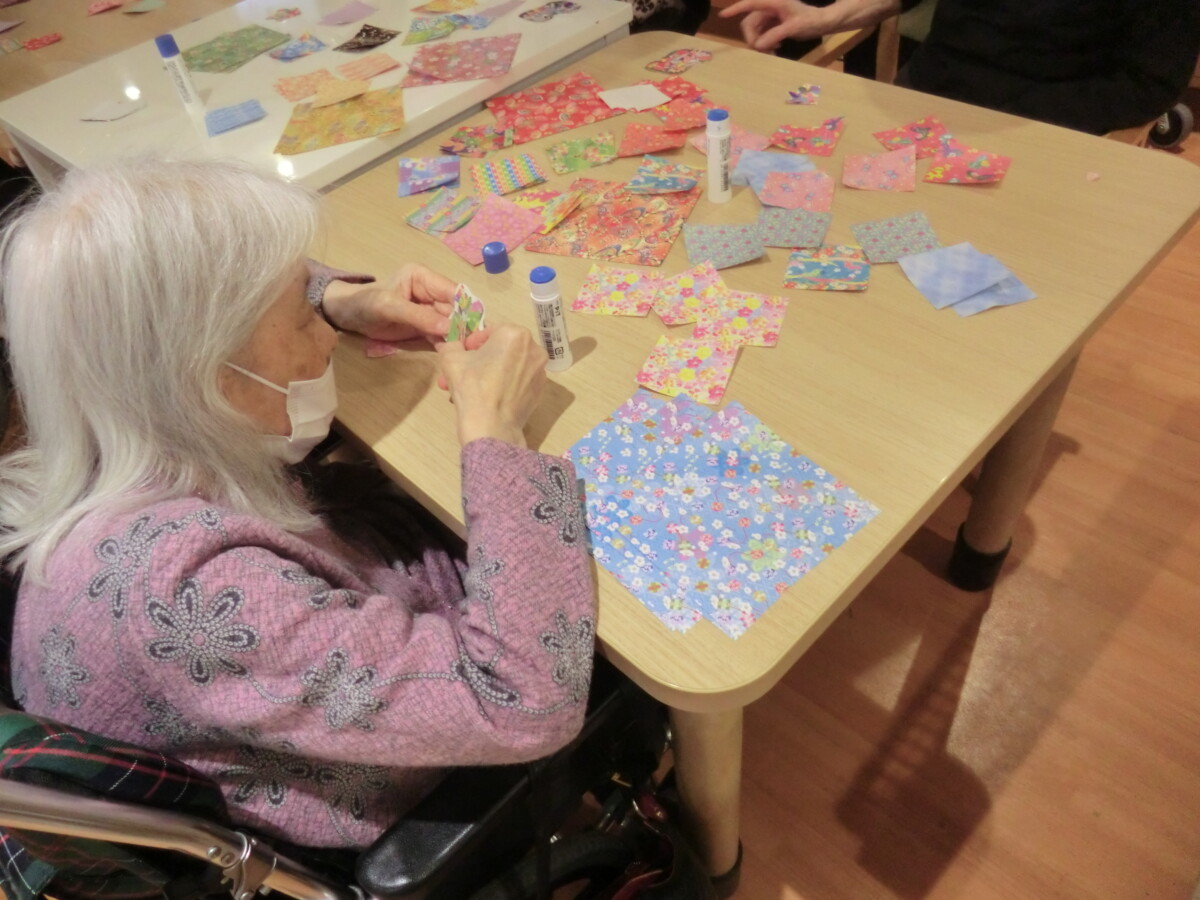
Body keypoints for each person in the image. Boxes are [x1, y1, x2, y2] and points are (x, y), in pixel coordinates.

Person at [0, 157, 596, 850]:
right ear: (208, 373)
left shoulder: (113, 399)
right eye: (302, 318)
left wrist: (337, 299)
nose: (326, 337)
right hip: (401, 781)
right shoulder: (200, 593)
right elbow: (525, 701)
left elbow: (200, 294)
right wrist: (495, 430)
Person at [720, 0, 1200, 136]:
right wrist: (824, 16)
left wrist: (999, 118)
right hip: (927, 104)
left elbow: (1148, 85)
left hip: (1049, 134)